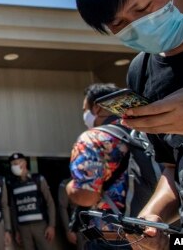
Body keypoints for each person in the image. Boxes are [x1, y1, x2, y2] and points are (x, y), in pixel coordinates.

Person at [73, 0, 183, 248]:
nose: (137, 26)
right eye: (120, 25)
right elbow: (172, 166)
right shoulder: (141, 71)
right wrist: (151, 217)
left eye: (142, 8)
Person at [66, 83, 133, 249]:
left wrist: (70, 187)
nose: (84, 114)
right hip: (156, 232)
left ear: (97, 108)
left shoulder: (94, 138)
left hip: (113, 237)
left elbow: (85, 196)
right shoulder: (145, 133)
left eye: (84, 109)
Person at [6, 152, 56, 250]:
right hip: (23, 228)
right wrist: (16, 230)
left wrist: (51, 225)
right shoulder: (13, 184)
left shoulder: (37, 179)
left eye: (18, 162)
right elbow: (13, 209)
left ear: (24, 163)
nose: (15, 166)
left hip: (41, 226)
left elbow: (50, 202)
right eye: (13, 164)